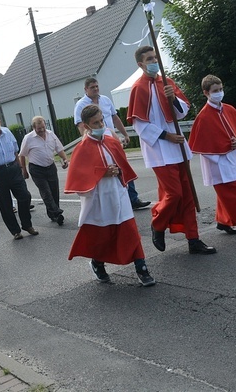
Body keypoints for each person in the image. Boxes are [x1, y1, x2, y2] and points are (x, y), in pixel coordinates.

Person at [127, 45, 216, 255]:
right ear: (141, 64)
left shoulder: (167, 82)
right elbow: (139, 124)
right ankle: (157, 224)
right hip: (159, 149)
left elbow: (183, 111)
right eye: (149, 59)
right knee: (174, 194)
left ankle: (193, 239)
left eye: (155, 57)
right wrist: (167, 136)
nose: (154, 61)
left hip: (178, 148)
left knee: (188, 196)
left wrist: (173, 98)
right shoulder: (138, 88)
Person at [66, 105, 155, 286]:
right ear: (86, 126)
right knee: (103, 236)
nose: (100, 124)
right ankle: (98, 263)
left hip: (118, 193)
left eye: (101, 120)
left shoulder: (111, 141)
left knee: (130, 231)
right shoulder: (82, 148)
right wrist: (102, 173)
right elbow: (79, 179)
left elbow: (123, 167)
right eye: (95, 122)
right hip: (99, 198)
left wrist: (118, 172)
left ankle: (142, 268)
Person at [188, 74, 236, 242]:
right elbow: (203, 145)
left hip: (232, 159)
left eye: (221, 89)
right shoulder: (203, 117)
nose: (219, 93)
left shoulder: (229, 109)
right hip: (217, 164)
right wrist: (223, 147)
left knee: (228, 193)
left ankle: (223, 222)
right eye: (215, 91)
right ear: (206, 93)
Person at [74, 77, 151, 211]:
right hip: (96, 142)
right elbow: (81, 126)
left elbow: (115, 118)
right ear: (86, 89)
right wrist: (89, 142)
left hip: (111, 139)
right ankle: (108, 202)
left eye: (97, 86)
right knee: (107, 171)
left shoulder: (105, 100)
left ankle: (132, 199)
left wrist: (124, 134)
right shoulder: (81, 105)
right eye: (92, 87)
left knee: (123, 166)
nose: (96, 89)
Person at [0, 113, 39, 240]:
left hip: (13, 169)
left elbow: (15, 151)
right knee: (5, 204)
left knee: (25, 196)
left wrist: (20, 168)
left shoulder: (7, 133)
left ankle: (27, 225)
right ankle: (15, 231)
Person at [18, 116, 69, 225]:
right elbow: (22, 155)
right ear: (33, 127)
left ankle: (54, 214)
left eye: (43, 128)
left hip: (50, 166)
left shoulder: (51, 135)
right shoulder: (28, 138)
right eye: (39, 128)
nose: (41, 130)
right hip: (36, 169)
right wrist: (24, 170)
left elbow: (59, 149)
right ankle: (56, 212)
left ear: (45, 125)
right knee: (46, 192)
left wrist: (65, 159)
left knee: (54, 191)